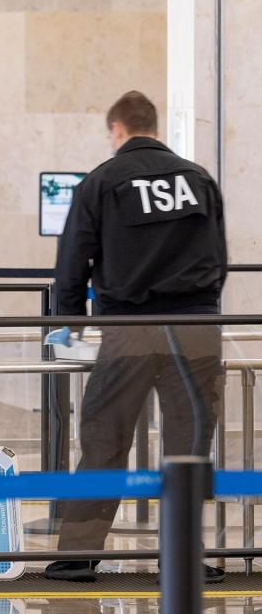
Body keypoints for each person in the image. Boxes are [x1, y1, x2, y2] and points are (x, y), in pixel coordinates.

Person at [45, 91, 227, 583]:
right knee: (187, 443)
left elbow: (73, 258)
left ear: (118, 130)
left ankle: (78, 558)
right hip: (196, 328)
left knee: (105, 440)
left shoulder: (103, 180)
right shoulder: (198, 179)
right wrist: (204, 308)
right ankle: (184, 556)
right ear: (154, 126)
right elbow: (218, 255)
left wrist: (69, 319)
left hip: (129, 329)